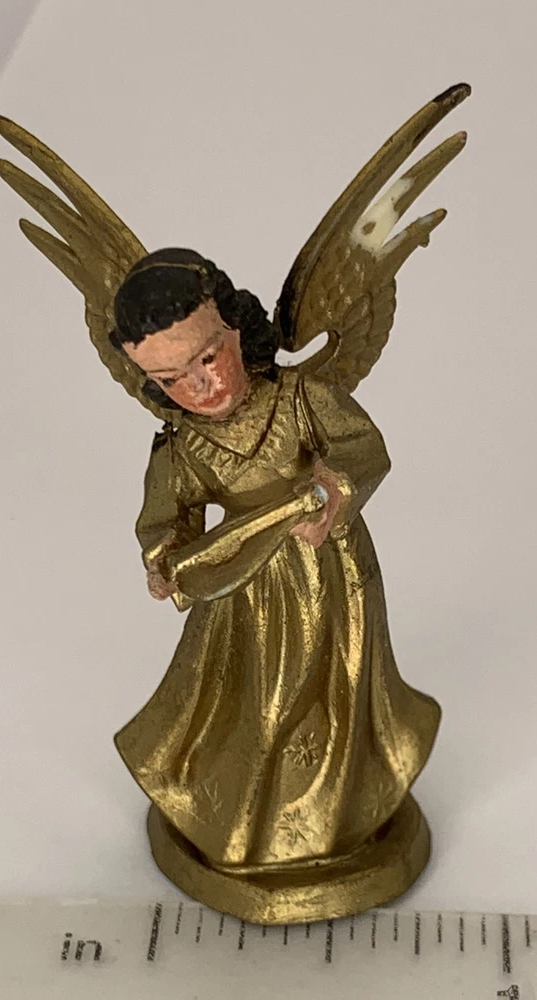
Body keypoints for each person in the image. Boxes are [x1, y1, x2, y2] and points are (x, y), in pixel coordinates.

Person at [111, 247, 441, 872]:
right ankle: (244, 824)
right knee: (257, 709)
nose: (199, 387)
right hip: (243, 599)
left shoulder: (301, 399)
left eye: (208, 358)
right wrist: (163, 560)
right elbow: (165, 520)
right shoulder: (183, 447)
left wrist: (336, 491)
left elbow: (363, 448)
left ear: (237, 328)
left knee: (338, 696)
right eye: (171, 379)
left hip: (331, 574)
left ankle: (337, 811)